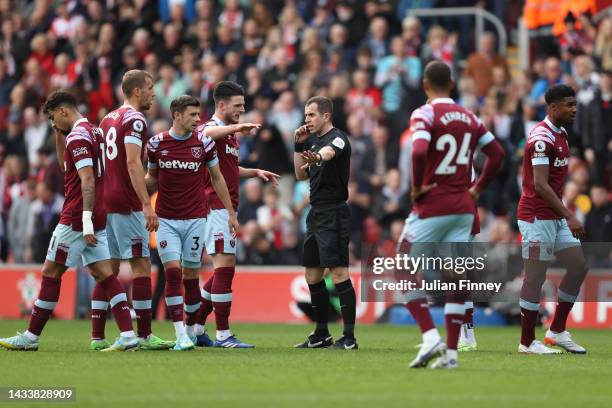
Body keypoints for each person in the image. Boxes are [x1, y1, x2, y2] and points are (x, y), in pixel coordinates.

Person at [0, 91, 137, 352]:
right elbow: (68, 168)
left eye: (53, 118)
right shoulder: (93, 132)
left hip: (77, 215)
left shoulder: (77, 136)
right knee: (105, 275)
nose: (53, 124)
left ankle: (31, 337)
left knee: (51, 273)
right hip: (98, 213)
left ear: (64, 111)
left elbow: (86, 179)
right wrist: (57, 136)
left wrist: (84, 221)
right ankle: (128, 335)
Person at [402, 61, 505, 369]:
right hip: (463, 207)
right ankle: (452, 354)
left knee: (401, 266)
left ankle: (430, 336)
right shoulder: (470, 116)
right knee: (455, 278)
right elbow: (497, 154)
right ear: (452, 83)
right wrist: (477, 188)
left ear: (425, 85)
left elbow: (419, 151)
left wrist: (419, 186)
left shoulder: (425, 113)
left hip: (434, 204)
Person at [144, 95, 238, 350]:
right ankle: (180, 334)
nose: (198, 119)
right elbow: (151, 178)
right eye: (193, 115)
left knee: (191, 276)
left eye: (199, 114)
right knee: (172, 271)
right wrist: (137, 197)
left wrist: (230, 212)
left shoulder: (205, 143)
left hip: (197, 218)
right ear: (177, 115)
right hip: (166, 219)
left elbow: (217, 178)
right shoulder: (156, 144)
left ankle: (189, 331)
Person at [91, 69, 173, 351]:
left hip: (106, 200)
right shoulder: (135, 120)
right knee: (141, 265)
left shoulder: (107, 119)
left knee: (109, 268)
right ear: (137, 91)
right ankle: (145, 334)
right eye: (150, 87)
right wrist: (144, 205)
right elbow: (132, 163)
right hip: (126, 202)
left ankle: (97, 336)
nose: (154, 92)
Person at [194, 81, 279, 348]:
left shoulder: (228, 136)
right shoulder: (211, 128)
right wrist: (236, 128)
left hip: (224, 207)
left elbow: (229, 168)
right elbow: (204, 133)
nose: (242, 110)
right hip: (215, 207)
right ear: (221, 104)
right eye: (238, 106)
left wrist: (254, 172)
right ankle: (222, 334)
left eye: (243, 105)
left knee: (223, 272)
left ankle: (194, 327)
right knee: (224, 271)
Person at [517, 84, 588, 355]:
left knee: (579, 266)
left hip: (555, 216)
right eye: (569, 105)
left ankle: (556, 331)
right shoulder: (541, 138)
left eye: (575, 105)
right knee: (535, 276)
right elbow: (540, 185)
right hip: (536, 216)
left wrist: (563, 215)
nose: (574, 110)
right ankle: (526, 343)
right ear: (554, 107)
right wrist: (569, 214)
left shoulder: (562, 134)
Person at [293, 96, 356, 350]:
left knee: (339, 272)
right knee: (312, 274)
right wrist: (298, 147)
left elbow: (329, 154)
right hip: (315, 213)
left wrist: (318, 157)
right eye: (306, 115)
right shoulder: (312, 142)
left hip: (335, 213)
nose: (306, 119)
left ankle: (349, 337)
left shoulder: (337, 138)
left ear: (325, 116)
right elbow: (299, 175)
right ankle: (321, 334)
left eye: (311, 115)